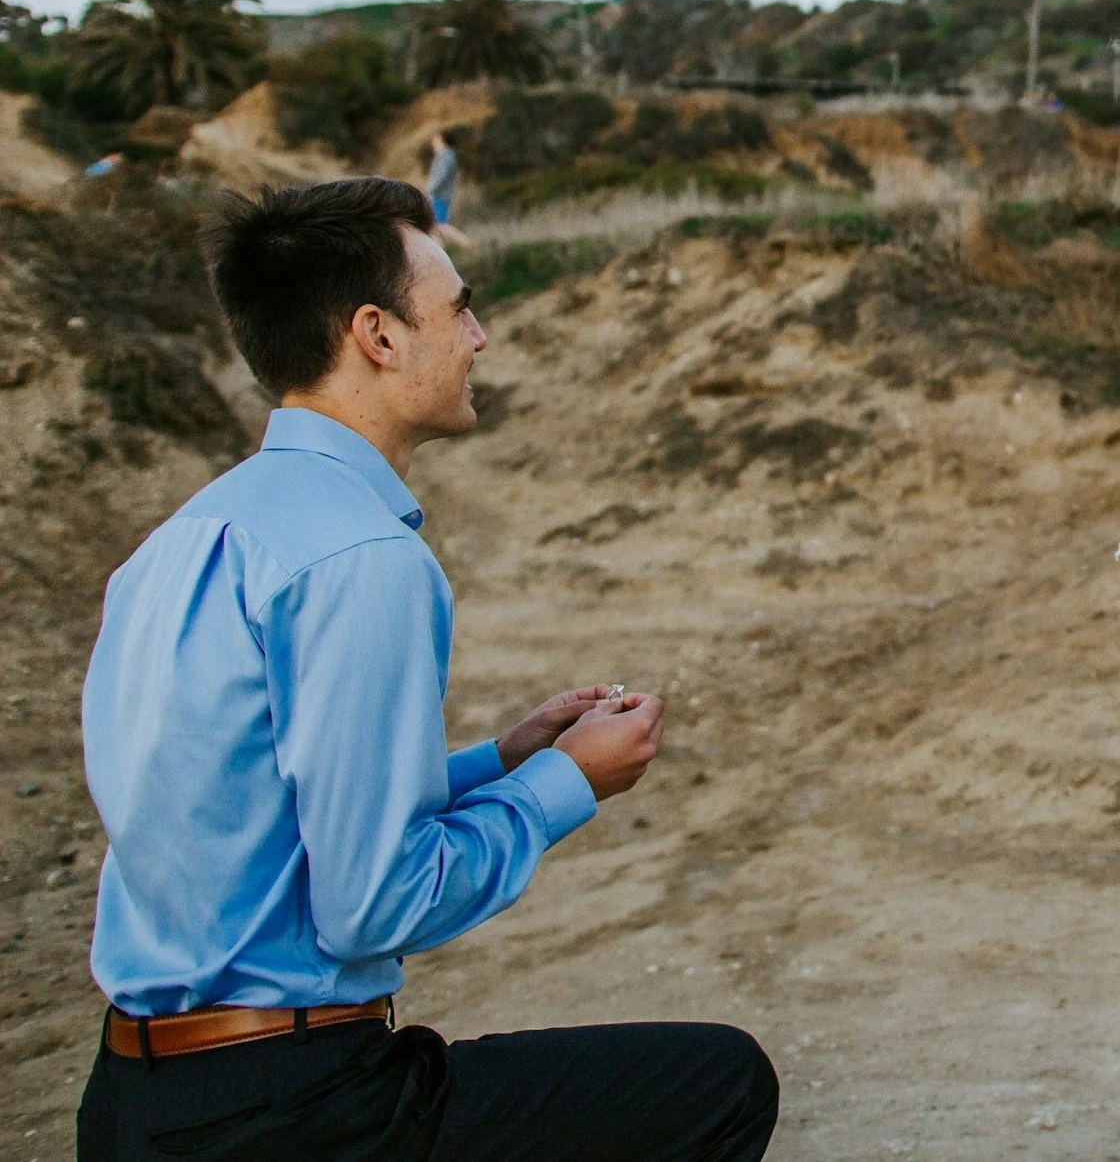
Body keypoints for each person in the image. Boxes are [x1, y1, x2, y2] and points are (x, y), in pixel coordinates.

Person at [78, 177, 775, 1162]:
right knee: (720, 1083)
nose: (479, 335)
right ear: (379, 334)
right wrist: (567, 782)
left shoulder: (185, 538)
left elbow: (252, 816)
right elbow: (374, 899)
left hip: (131, 1104)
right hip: (296, 1112)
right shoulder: (361, 556)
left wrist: (501, 756)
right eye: (458, 307)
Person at [425, 129, 473, 249]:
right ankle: (440, 252)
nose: (433, 142)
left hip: (439, 196)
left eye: (436, 139)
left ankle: (468, 244)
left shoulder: (445, 156)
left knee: (441, 226)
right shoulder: (445, 156)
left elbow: (441, 178)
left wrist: (430, 190)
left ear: (442, 139)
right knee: (435, 228)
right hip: (439, 196)